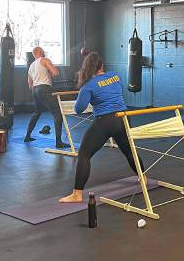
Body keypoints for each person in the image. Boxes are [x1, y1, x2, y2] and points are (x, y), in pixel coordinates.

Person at [59, 52, 144, 203]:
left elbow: (79, 109)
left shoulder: (88, 86)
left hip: (105, 121)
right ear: (102, 65)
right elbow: (112, 92)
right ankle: (143, 178)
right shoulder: (115, 76)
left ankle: (77, 194)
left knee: (84, 154)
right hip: (123, 118)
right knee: (129, 150)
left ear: (87, 68)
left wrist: (84, 93)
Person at [24, 46, 63, 146]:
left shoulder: (31, 65)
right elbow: (56, 73)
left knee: (36, 112)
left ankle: (27, 136)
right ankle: (58, 142)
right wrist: (51, 70)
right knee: (57, 113)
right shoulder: (45, 60)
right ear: (41, 52)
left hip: (35, 90)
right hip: (44, 88)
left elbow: (30, 85)